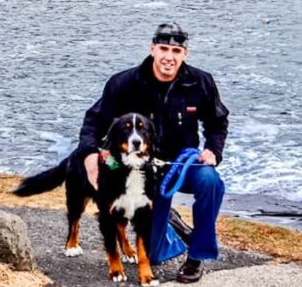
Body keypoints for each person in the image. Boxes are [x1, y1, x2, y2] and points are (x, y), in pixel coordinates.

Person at [77, 22, 229, 283]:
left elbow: (218, 122)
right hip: (142, 171)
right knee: (154, 256)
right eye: (163, 49)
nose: (169, 57)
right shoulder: (123, 83)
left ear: (185, 54)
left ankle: (196, 255)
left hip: (183, 164)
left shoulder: (201, 82)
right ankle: (172, 223)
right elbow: (94, 120)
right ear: (152, 49)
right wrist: (89, 154)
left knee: (211, 181)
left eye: (176, 51)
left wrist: (212, 150)